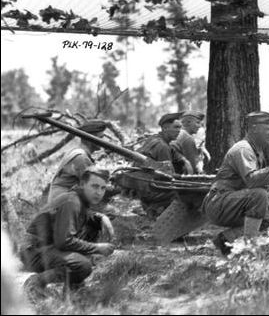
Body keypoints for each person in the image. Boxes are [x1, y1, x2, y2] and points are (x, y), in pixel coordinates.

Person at [202, 112, 269, 254]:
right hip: (218, 202)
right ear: (254, 128)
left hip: (231, 201)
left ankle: (224, 240)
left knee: (268, 213)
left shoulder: (257, 150)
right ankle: (250, 249)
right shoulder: (243, 149)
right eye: (268, 129)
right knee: (259, 196)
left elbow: (261, 181)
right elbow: (252, 181)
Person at [21, 166, 115, 299]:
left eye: (103, 188)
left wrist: (101, 217)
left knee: (94, 224)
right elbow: (64, 241)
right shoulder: (72, 201)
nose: (99, 192)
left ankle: (73, 288)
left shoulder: (79, 200)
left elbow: (86, 215)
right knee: (82, 265)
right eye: (94, 186)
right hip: (34, 251)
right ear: (82, 184)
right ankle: (36, 283)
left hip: (45, 247)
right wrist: (97, 248)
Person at [136, 113, 192, 218]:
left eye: (180, 127)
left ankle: (154, 208)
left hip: (142, 187)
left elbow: (173, 151)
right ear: (165, 128)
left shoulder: (155, 138)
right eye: (176, 127)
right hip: (149, 189)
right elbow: (167, 177)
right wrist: (185, 179)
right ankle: (157, 211)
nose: (179, 130)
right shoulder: (162, 146)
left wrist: (184, 160)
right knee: (183, 192)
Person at [47, 120, 107, 202]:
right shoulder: (81, 158)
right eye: (101, 138)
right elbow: (95, 186)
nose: (103, 141)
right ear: (90, 139)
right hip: (62, 205)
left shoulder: (77, 151)